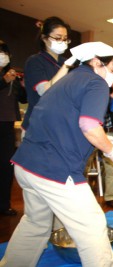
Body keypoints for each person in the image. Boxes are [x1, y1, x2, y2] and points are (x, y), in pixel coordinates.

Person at [0, 42, 113, 267]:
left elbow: (67, 121)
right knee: (92, 225)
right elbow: (89, 126)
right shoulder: (95, 82)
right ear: (97, 61)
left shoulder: (66, 79)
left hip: (26, 165)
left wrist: (106, 140)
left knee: (35, 223)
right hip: (55, 169)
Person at [22, 16, 74, 133]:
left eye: (65, 39)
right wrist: (66, 67)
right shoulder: (35, 61)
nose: (62, 42)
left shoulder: (64, 62)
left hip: (59, 124)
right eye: (57, 38)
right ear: (44, 38)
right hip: (37, 125)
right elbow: (44, 90)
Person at [0, 40, 27, 216]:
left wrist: (23, 85)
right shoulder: (5, 77)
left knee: (5, 167)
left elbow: (23, 99)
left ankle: (3, 205)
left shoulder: (12, 75)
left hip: (7, 125)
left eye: (3, 51)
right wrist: (3, 80)